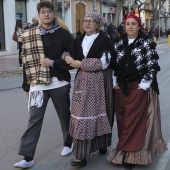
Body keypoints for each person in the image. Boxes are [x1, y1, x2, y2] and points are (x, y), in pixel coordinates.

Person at [14, 1, 73, 169]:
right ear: (38, 15)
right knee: (34, 119)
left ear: (54, 14)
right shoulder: (29, 35)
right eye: (43, 12)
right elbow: (27, 62)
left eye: (49, 11)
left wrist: (53, 63)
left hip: (59, 82)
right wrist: (27, 86)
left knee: (64, 116)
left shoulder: (64, 35)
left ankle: (69, 143)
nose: (46, 14)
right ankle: (27, 156)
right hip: (38, 83)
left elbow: (71, 60)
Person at [107, 14, 167, 169]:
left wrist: (143, 86)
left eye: (134, 24)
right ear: (124, 26)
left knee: (133, 121)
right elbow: (113, 65)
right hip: (120, 87)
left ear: (139, 26)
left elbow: (151, 65)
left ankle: (129, 155)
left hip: (138, 86)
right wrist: (115, 84)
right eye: (128, 24)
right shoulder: (119, 43)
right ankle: (125, 152)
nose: (130, 27)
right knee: (122, 120)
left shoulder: (146, 43)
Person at [62, 12, 114, 168]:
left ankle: (102, 144)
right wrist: (68, 59)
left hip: (101, 80)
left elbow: (104, 62)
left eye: (91, 21)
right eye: (85, 21)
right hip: (82, 81)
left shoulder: (105, 39)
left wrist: (80, 63)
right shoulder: (78, 39)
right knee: (81, 116)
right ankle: (81, 155)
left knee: (104, 112)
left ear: (97, 24)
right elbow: (67, 53)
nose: (87, 23)